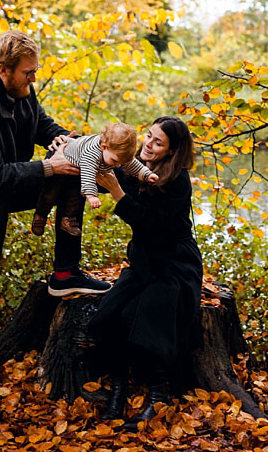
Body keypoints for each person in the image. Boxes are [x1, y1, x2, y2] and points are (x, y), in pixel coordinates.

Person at [0, 30, 111, 406]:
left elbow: (41, 126)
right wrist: (47, 167)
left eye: (34, 72)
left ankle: (65, 274)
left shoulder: (21, 90)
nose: (33, 79)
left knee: (72, 171)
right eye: (28, 73)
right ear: (3, 70)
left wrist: (68, 141)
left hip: (13, 178)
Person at [87, 116, 201, 431]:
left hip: (174, 265)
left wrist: (118, 194)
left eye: (157, 142)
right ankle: (119, 391)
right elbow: (95, 169)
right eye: (148, 136)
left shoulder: (178, 180)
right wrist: (76, 149)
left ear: (172, 151)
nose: (148, 145)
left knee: (140, 318)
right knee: (106, 317)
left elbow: (153, 228)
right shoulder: (133, 167)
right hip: (144, 264)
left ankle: (158, 394)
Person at [31, 122, 159, 238]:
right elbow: (88, 172)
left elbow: (131, 163)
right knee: (50, 194)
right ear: (104, 147)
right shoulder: (91, 153)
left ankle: (67, 220)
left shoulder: (116, 152)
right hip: (61, 163)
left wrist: (146, 174)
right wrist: (91, 195)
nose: (117, 165)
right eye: (114, 161)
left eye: (120, 162)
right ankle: (40, 215)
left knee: (73, 198)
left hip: (75, 172)